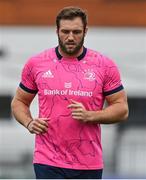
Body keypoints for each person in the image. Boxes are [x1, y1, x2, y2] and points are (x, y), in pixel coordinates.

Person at [11, 6, 129, 179]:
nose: (71, 37)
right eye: (65, 31)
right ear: (57, 31)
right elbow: (19, 102)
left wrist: (90, 116)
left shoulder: (104, 65)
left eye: (77, 32)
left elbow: (122, 108)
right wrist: (29, 123)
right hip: (48, 161)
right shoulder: (36, 63)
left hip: (88, 163)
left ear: (85, 31)